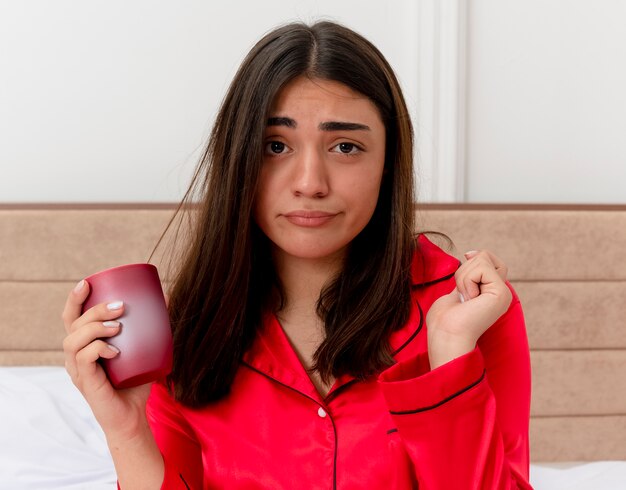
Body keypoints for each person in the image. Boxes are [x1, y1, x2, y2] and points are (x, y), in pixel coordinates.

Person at [62, 21, 532, 489]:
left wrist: (450, 360)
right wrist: (125, 430)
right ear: (239, 159)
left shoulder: (470, 313)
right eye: (276, 146)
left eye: (346, 146)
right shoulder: (189, 332)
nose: (310, 182)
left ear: (389, 163)